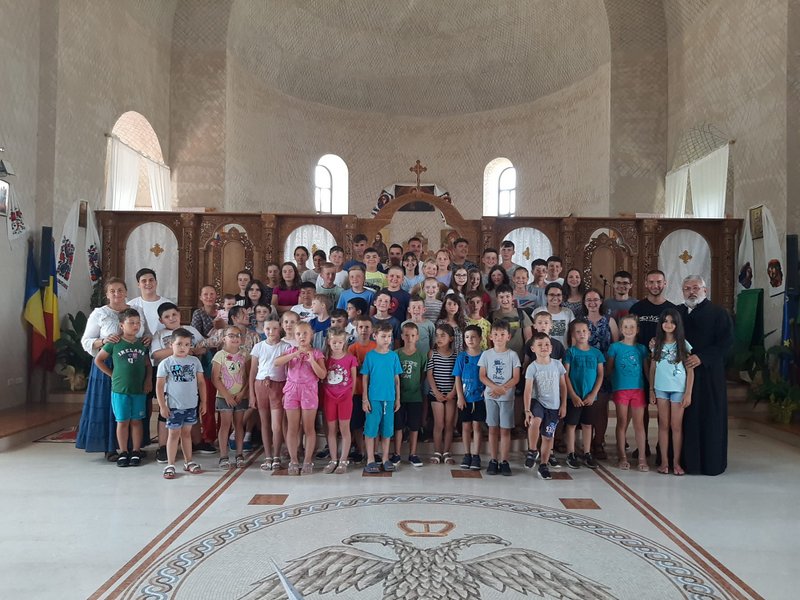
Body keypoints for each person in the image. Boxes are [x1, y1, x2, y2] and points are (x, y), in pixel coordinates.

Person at [76, 278, 146, 458]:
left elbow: (144, 333)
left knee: (132, 409)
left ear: (126, 292)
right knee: (110, 406)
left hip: (132, 363)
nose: (117, 294)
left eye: (120, 290)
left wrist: (149, 338)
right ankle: (111, 448)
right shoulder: (100, 313)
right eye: (112, 291)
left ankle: (134, 447)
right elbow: (86, 341)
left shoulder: (136, 311)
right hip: (107, 365)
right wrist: (103, 340)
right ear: (107, 294)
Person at [677, 275, 733, 476]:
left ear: (705, 290)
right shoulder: (677, 312)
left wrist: (702, 358)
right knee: (684, 418)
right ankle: (684, 461)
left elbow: (726, 343)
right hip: (681, 374)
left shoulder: (719, 313)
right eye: (687, 288)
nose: (691, 292)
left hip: (709, 375)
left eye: (695, 288)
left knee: (710, 417)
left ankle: (710, 462)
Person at [93, 308, 152, 468]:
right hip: (120, 390)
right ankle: (124, 451)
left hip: (139, 390)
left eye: (138, 323)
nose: (135, 326)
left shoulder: (142, 344)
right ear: (121, 325)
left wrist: (148, 380)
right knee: (122, 421)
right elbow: (98, 360)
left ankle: (136, 451)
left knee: (137, 421)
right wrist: (112, 374)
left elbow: (148, 364)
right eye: (131, 323)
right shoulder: (115, 343)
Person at [149, 302, 209, 456]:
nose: (172, 318)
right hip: (169, 380)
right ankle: (163, 447)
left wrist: (194, 350)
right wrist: (181, 349)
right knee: (166, 413)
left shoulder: (191, 330)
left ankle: (197, 442)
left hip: (190, 379)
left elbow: (203, 346)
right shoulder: (159, 334)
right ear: (161, 320)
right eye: (167, 316)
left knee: (192, 411)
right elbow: (156, 354)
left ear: (180, 314)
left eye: (174, 314)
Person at [629, 269, 674, 459]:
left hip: (665, 365)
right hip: (640, 363)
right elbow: (630, 334)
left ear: (665, 284)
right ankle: (643, 444)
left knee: (665, 407)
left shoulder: (672, 309)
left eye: (659, 282)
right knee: (642, 407)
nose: (655, 285)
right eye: (652, 282)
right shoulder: (637, 308)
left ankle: (663, 447)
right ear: (646, 284)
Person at [274, 321, 327, 475]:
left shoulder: (316, 353)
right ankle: (294, 460)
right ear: (294, 336)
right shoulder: (290, 351)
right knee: (292, 427)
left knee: (309, 427)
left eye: (305, 333)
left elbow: (322, 374)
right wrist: (294, 354)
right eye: (298, 334)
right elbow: (277, 362)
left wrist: (312, 361)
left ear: (311, 335)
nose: (302, 336)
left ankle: (308, 460)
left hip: (309, 392)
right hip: (292, 391)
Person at [155, 327, 207, 479]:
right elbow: (159, 386)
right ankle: (170, 464)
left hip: (191, 405)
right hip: (174, 406)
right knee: (173, 434)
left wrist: (203, 401)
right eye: (179, 344)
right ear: (171, 344)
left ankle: (188, 461)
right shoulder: (166, 363)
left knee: (186, 433)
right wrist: (162, 406)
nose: (183, 347)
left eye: (187, 344)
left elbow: (201, 383)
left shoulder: (194, 361)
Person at [650, 308, 694, 476]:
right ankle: (664, 462)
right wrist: (651, 390)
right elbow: (653, 368)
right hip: (661, 388)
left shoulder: (683, 344)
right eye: (665, 321)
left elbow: (690, 370)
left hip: (678, 390)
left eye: (672, 322)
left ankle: (676, 462)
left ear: (677, 324)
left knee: (676, 426)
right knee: (663, 425)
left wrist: (688, 392)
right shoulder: (656, 344)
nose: (668, 325)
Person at [478, 319, 521, 476]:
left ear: (508, 336)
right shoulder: (486, 354)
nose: (499, 337)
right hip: (491, 397)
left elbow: (516, 377)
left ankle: (504, 461)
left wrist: (503, 388)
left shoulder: (513, 355)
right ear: (490, 336)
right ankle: (493, 460)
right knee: (492, 429)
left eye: (502, 334)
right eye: (495, 334)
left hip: (506, 398)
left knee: (505, 430)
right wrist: (495, 387)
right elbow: (482, 375)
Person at [606, 314, 649, 471]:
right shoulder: (615, 347)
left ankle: (642, 458)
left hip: (638, 390)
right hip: (621, 390)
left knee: (639, 424)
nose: (629, 330)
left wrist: (651, 389)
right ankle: (622, 456)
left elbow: (647, 371)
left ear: (637, 329)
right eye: (625, 327)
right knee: (622, 421)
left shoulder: (642, 349)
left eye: (632, 327)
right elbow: (609, 370)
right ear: (621, 329)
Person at [523, 332, 567, 480]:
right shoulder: (532, 367)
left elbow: (563, 386)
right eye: (540, 345)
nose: (544, 347)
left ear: (551, 347)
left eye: (547, 344)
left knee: (548, 437)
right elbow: (528, 390)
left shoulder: (557, 365)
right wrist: (527, 410)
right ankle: (532, 450)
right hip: (538, 402)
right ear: (533, 348)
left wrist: (563, 404)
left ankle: (543, 465)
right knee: (535, 421)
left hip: (553, 406)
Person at [248, 316, 290, 472]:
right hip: (260, 385)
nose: (271, 332)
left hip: (278, 385)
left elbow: (288, 371)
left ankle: (277, 456)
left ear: (280, 329)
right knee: (264, 423)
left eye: (274, 328)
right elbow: (253, 371)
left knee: (276, 425)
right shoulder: (258, 347)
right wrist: (251, 394)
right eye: (267, 329)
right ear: (263, 330)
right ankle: (267, 456)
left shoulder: (285, 347)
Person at [361, 323, 403, 473]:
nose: (387, 339)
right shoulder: (370, 356)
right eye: (383, 336)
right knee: (371, 429)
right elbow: (365, 378)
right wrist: (365, 399)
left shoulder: (393, 356)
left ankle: (385, 458)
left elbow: (396, 379)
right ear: (375, 336)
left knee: (387, 430)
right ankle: (370, 459)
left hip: (389, 398)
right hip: (374, 399)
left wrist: (398, 399)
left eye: (389, 336)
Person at [563, 319, 605, 470]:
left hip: (590, 397)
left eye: (584, 331)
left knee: (588, 425)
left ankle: (587, 452)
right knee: (572, 425)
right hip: (574, 397)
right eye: (578, 331)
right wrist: (573, 395)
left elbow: (600, 375)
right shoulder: (570, 352)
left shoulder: (596, 353)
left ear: (589, 333)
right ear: (573, 334)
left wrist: (593, 394)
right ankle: (571, 453)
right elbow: (565, 375)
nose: (582, 334)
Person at [583, 288, 619, 459]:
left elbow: (616, 345)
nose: (592, 303)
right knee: (588, 407)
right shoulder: (580, 322)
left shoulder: (609, 321)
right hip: (585, 370)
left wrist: (611, 369)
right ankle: (587, 444)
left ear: (601, 301)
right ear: (584, 302)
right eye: (589, 300)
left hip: (605, 369)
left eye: (595, 299)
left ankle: (598, 442)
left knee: (602, 408)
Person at [320, 328, 358, 474]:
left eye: (340, 342)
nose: (337, 345)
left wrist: (349, 395)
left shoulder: (350, 358)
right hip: (329, 398)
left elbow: (353, 380)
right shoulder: (325, 359)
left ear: (344, 342)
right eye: (334, 342)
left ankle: (343, 460)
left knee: (344, 429)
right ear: (329, 342)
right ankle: (333, 459)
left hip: (345, 398)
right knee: (331, 430)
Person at [212, 325, 250, 470]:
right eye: (231, 336)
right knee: (225, 425)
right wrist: (227, 395)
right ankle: (223, 456)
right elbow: (215, 378)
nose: (235, 338)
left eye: (238, 335)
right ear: (224, 339)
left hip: (240, 396)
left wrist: (242, 393)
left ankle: (239, 454)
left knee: (239, 425)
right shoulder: (219, 355)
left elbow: (248, 377)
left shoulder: (245, 355)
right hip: (224, 396)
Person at [392, 322, 428, 468]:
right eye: (406, 335)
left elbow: (422, 375)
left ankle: (413, 454)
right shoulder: (396, 354)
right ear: (401, 336)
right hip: (398, 398)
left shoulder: (421, 356)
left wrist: (416, 386)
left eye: (413, 335)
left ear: (417, 337)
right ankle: (397, 454)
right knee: (398, 426)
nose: (409, 338)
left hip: (415, 397)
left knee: (414, 427)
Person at [454, 325, 486, 470]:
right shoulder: (462, 357)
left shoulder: (485, 356)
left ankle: (476, 456)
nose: (470, 340)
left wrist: (486, 391)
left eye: (473, 337)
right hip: (465, 399)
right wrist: (460, 396)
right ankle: (467, 454)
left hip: (479, 398)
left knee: (477, 426)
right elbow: (457, 378)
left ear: (480, 338)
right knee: (466, 427)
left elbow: (488, 376)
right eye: (467, 337)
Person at [427, 323, 458, 465]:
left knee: (449, 424)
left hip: (451, 394)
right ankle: (437, 452)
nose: (439, 338)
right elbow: (430, 374)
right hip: (436, 394)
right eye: (437, 336)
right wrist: (436, 392)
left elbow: (457, 376)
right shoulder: (432, 353)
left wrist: (453, 392)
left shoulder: (456, 355)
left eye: (443, 336)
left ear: (451, 338)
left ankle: (446, 452)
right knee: (439, 424)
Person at [348, 315, 377, 463]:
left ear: (372, 330)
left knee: (373, 422)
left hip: (374, 391)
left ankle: (374, 452)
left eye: (367, 327)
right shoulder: (352, 348)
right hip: (356, 391)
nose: (364, 330)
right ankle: (360, 450)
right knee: (357, 423)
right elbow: (352, 369)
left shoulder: (376, 347)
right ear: (356, 329)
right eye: (361, 327)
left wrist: (364, 367)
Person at [532, 283, 574, 348]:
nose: (555, 298)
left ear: (562, 296)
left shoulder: (568, 312)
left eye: (558, 295)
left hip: (563, 350)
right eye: (551, 295)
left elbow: (573, 334)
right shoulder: (537, 311)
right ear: (546, 296)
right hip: (542, 350)